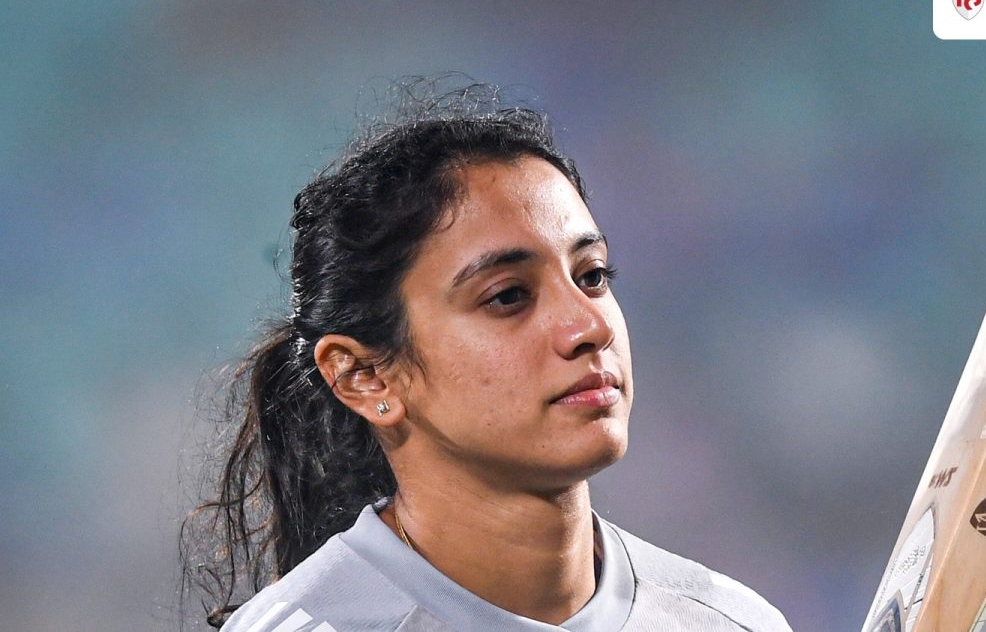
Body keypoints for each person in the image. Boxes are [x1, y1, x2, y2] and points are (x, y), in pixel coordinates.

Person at [183, 84, 791, 632]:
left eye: (592, 275)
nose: (589, 326)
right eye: (507, 296)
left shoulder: (731, 620)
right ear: (365, 377)